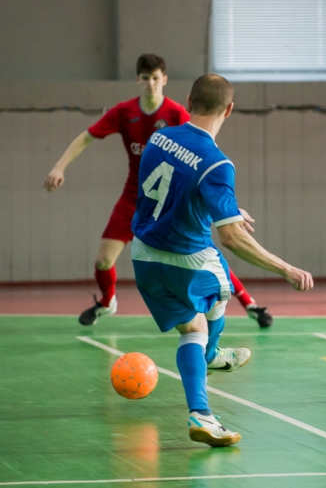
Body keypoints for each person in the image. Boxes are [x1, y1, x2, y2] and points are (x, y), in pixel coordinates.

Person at [132, 74, 313, 446]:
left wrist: (224, 210)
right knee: (222, 289)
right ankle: (213, 355)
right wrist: (286, 268)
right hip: (188, 259)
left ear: (188, 101)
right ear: (229, 109)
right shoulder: (217, 164)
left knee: (192, 329)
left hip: (143, 255)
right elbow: (231, 238)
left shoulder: (158, 137)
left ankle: (202, 412)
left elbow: (171, 188)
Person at [43, 54, 273, 328]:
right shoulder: (124, 112)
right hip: (136, 199)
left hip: (173, 200)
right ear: (137, 80)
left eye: (155, 78)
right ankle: (107, 302)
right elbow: (87, 136)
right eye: (145, 78)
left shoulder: (177, 114)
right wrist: (59, 166)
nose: (150, 84)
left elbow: (206, 159)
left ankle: (248, 303)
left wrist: (226, 207)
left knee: (204, 252)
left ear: (164, 80)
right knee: (103, 261)